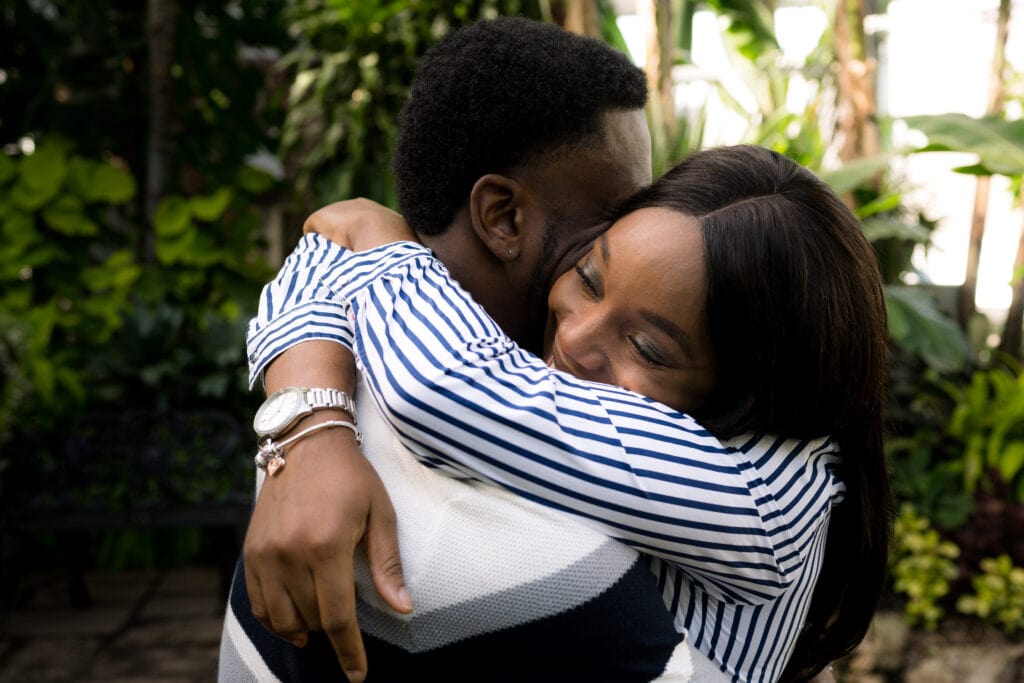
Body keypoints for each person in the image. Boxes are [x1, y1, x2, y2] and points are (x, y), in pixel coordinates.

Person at [236, 145, 891, 681]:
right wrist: (310, 425)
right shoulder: (629, 415)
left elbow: (442, 388)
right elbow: (322, 253)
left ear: (750, 395)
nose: (576, 338)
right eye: (589, 275)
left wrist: (377, 236)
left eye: (645, 346)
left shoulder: (758, 494)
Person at [220, 16, 700, 683]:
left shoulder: (330, 401)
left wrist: (309, 419)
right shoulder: (554, 562)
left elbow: (331, 250)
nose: (636, 242)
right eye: (615, 218)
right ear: (504, 217)